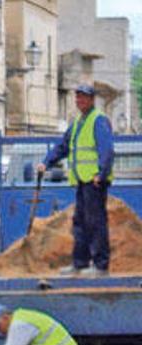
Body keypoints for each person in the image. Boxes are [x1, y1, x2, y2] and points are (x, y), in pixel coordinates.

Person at [36, 84, 115, 277]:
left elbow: (107, 150)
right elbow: (63, 146)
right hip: (81, 180)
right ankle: (79, 263)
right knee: (80, 222)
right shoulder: (78, 122)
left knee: (96, 222)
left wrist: (101, 174)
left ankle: (100, 265)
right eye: (77, 97)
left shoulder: (98, 120)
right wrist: (46, 162)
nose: (80, 101)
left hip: (94, 181)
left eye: (84, 97)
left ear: (91, 100)